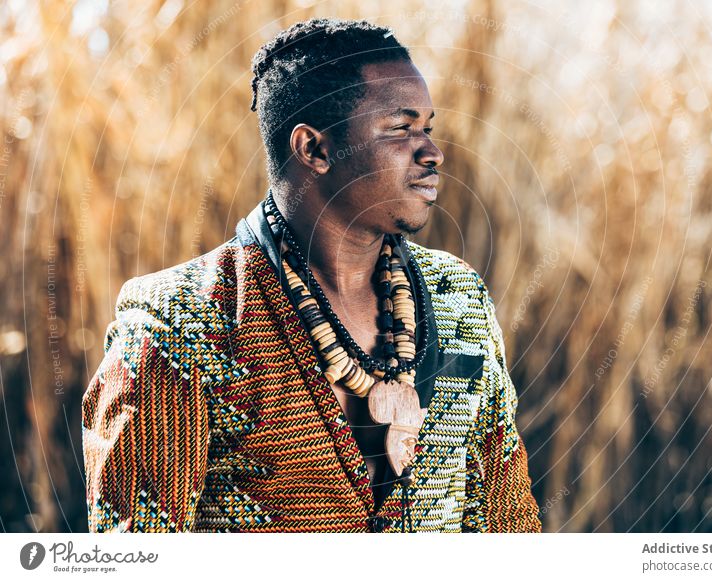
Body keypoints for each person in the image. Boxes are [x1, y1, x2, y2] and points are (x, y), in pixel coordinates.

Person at [81, 17, 542, 533]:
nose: (432, 152)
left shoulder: (458, 298)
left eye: (428, 128)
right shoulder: (178, 322)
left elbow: (510, 524)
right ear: (315, 150)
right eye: (400, 128)